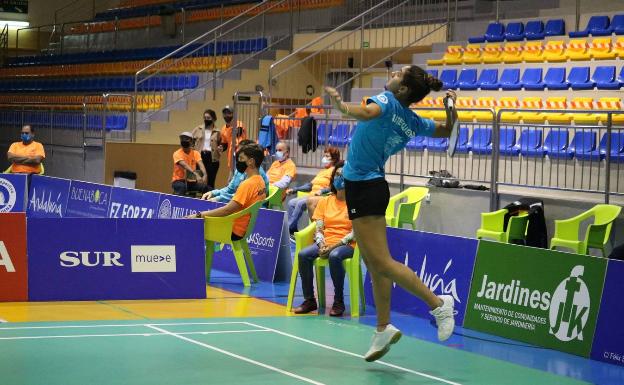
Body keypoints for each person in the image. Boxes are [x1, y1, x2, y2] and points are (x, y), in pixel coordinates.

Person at [325, 65, 457, 362]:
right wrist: (451, 109)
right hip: (370, 187)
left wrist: (341, 106)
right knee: (375, 265)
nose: (394, 73)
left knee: (382, 262)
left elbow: (366, 114)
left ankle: (438, 304)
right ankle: (383, 327)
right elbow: (448, 131)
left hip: (365, 187)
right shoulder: (411, 120)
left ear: (403, 89)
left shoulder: (385, 100)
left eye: (400, 73)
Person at [292, 161, 354, 317]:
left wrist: (332, 247)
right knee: (303, 255)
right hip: (326, 242)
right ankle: (309, 300)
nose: (340, 178)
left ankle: (338, 301)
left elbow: (355, 232)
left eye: (344, 176)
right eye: (337, 175)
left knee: (334, 256)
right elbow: (319, 228)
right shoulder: (325, 201)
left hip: (347, 244)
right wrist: (321, 244)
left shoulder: (356, 203)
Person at [190, 144, 267, 241]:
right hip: (247, 229)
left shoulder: (247, 184)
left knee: (193, 226)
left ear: (251, 161)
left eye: (241, 158)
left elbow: (227, 210)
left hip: (234, 230)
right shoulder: (261, 181)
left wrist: (199, 215)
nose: (238, 161)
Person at [286, 147, 340, 234]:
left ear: (334, 159)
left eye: (327, 156)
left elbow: (333, 187)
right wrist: (294, 190)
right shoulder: (322, 171)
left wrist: (322, 191)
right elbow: (309, 186)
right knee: (291, 202)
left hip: (323, 197)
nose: (324, 158)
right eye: (324, 156)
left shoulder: (335, 171)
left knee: (300, 203)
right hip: (311, 195)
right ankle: (292, 230)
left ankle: (287, 229)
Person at [201, 139, 269, 203]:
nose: (238, 159)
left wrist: (219, 198)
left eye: (241, 157)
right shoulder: (240, 169)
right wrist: (213, 193)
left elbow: (237, 201)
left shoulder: (256, 176)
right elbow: (230, 189)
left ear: (251, 160)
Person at [192, 109, 221, 190]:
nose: (206, 119)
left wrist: (220, 148)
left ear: (214, 119)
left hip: (212, 158)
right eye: (205, 117)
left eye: (208, 118)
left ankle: (209, 199)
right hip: (200, 156)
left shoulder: (218, 132)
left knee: (210, 181)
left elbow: (221, 143)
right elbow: (191, 141)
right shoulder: (198, 129)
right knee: (198, 180)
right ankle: (199, 199)